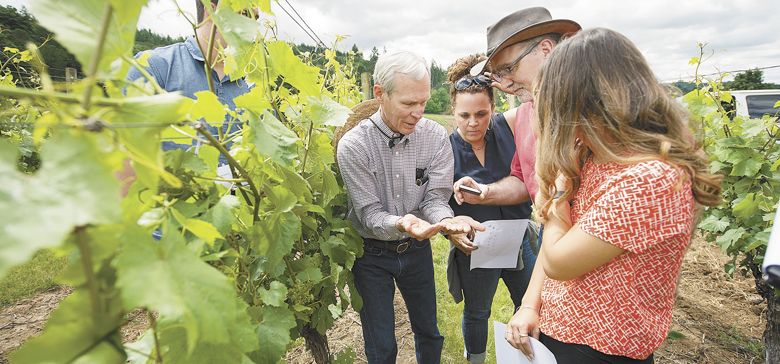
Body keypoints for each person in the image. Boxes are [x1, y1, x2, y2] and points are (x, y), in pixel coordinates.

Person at [504, 28, 723, 363]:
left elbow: (558, 259)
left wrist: (558, 197)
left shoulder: (650, 179)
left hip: (601, 350)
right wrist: (531, 304)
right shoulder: (595, 156)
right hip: (557, 330)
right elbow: (556, 236)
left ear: (584, 103)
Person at [335, 50, 484, 364]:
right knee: (382, 346)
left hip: (416, 251)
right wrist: (403, 223)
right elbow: (370, 214)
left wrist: (447, 222)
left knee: (429, 333)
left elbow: (434, 199)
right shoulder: (354, 145)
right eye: (408, 103)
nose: (418, 112)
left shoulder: (434, 138)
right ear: (380, 94)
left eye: (423, 102)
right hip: (370, 256)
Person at [443, 54, 537, 364]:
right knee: (478, 311)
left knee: (529, 304)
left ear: (493, 109)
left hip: (519, 235)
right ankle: (477, 360)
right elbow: (437, 202)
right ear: (453, 112)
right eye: (464, 115)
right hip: (477, 245)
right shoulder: (445, 149)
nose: (473, 123)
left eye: (481, 114)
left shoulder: (507, 127)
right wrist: (453, 229)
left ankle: (524, 358)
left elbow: (535, 100)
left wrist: (508, 78)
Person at [453, 7, 580, 208]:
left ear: (546, 50)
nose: (506, 84)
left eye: (509, 69)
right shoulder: (525, 114)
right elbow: (525, 181)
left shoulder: (586, 106)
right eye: (498, 74)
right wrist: (486, 192)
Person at [126, 0, 251, 152]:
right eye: (246, 14)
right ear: (214, 11)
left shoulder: (253, 83)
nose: (255, 28)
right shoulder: (151, 68)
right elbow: (123, 156)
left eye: (256, 19)